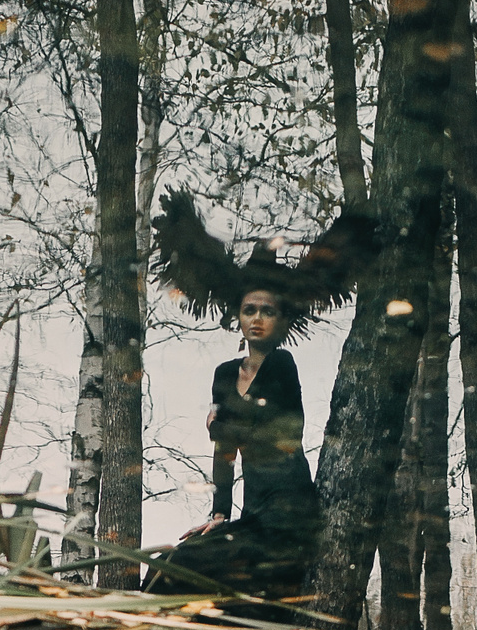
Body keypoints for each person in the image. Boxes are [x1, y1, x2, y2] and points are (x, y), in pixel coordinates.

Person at [143, 192, 376, 600]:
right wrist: (220, 512)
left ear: (281, 320)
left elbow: (281, 432)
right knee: (173, 563)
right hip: (252, 513)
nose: (257, 319)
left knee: (230, 581)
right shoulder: (224, 374)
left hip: (289, 514)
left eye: (268, 311)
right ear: (238, 316)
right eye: (250, 310)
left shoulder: (282, 365)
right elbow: (224, 452)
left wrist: (226, 426)